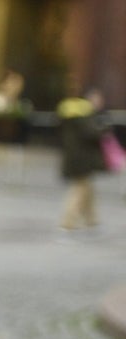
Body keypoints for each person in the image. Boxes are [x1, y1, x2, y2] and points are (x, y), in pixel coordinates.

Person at [56, 87, 110, 232]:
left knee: (87, 189)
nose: (99, 102)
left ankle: (92, 220)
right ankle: (68, 222)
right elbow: (91, 133)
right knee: (80, 190)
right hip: (82, 158)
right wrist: (104, 129)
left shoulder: (69, 111)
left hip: (74, 156)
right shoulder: (84, 113)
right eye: (97, 99)